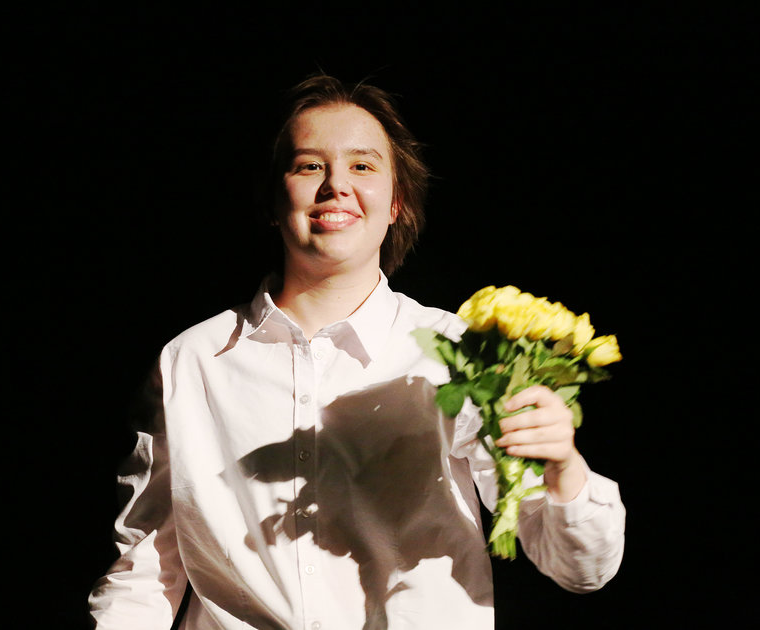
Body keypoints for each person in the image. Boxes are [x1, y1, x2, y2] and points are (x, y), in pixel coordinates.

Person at [88, 74, 625, 630]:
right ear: (273, 199)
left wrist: (563, 467)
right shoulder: (190, 361)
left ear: (396, 203)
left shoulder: (458, 353)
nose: (336, 185)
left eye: (363, 166)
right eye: (309, 166)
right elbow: (144, 572)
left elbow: (582, 569)